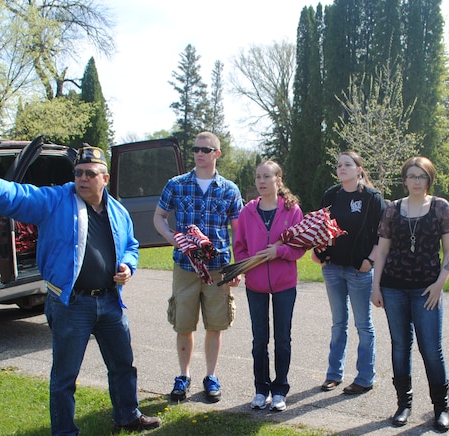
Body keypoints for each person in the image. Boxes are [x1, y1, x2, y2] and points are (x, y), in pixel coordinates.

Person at [0, 146, 161, 436]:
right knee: (65, 375)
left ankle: (127, 416)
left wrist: (127, 265)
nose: (82, 178)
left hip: (110, 302)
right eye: (79, 173)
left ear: (104, 178)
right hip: (71, 305)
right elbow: (18, 195)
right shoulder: (55, 201)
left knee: (123, 366)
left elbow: (132, 246)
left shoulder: (118, 211)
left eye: (90, 174)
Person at [154, 132, 243, 404]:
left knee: (215, 325)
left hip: (218, 268)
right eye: (195, 149)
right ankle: (183, 376)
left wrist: (236, 268)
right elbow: (159, 217)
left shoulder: (229, 189)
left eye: (206, 149)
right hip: (185, 266)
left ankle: (211, 377)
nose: (199, 153)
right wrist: (175, 239)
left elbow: (238, 233)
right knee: (184, 324)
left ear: (217, 153)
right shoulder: (176, 184)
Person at [371, 156, 449, 431]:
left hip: (427, 289)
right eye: (412, 176)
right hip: (393, 287)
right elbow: (382, 251)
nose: (417, 181)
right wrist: (376, 286)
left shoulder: (441, 207)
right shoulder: (393, 210)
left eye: (422, 176)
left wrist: (439, 284)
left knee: (431, 349)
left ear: (429, 179)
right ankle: (403, 405)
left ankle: (441, 408)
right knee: (400, 347)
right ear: (405, 179)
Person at [233, 161, 306, 412]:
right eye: (258, 177)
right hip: (256, 284)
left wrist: (279, 251)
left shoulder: (292, 210)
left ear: (278, 180)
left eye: (267, 176)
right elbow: (240, 246)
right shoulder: (248, 211)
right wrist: (246, 264)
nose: (261, 181)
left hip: (284, 284)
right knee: (259, 339)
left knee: (282, 339)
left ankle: (280, 390)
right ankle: (261, 389)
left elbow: (300, 247)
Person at [314, 151, 386, 395]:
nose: (342, 168)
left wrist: (369, 260)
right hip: (333, 269)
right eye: (339, 165)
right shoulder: (331, 195)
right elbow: (320, 227)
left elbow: (383, 235)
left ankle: (365, 377)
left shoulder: (372, 198)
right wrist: (321, 254)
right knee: (338, 323)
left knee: (363, 325)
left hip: (359, 271)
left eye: (347, 164)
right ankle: (334, 374)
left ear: (359, 169)